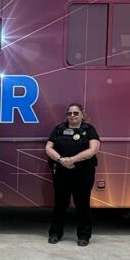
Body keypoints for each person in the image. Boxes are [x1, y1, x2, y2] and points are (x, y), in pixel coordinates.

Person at [45, 103, 101, 246]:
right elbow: (48, 148)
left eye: (76, 113)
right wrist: (61, 160)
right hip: (61, 172)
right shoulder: (59, 129)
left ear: (82, 114)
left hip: (83, 173)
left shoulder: (89, 130)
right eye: (69, 113)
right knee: (60, 203)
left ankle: (84, 236)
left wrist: (72, 159)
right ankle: (55, 233)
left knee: (82, 204)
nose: (72, 116)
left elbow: (93, 149)